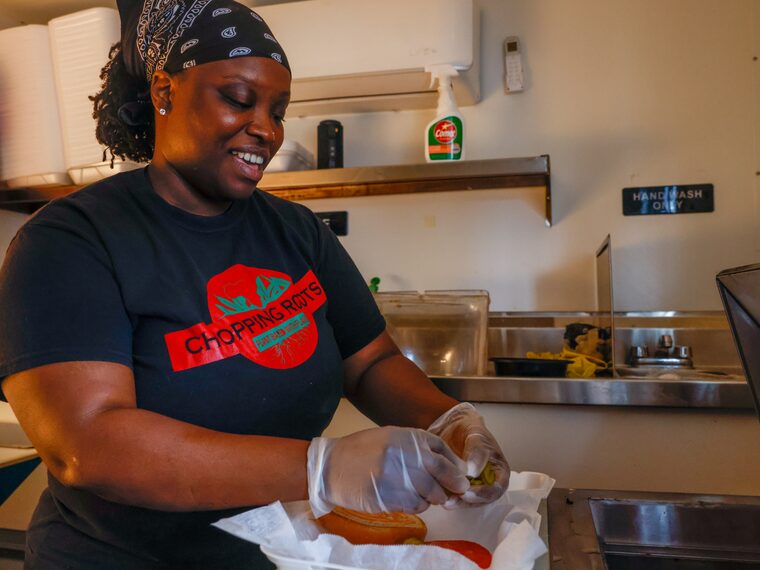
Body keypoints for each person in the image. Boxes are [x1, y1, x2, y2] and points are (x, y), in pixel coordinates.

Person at [0, 1, 510, 568]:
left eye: (278, 109)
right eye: (239, 100)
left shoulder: (296, 232)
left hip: (276, 555)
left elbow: (368, 362)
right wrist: (321, 467)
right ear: (164, 91)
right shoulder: (72, 241)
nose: (265, 129)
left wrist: (450, 421)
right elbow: (89, 446)